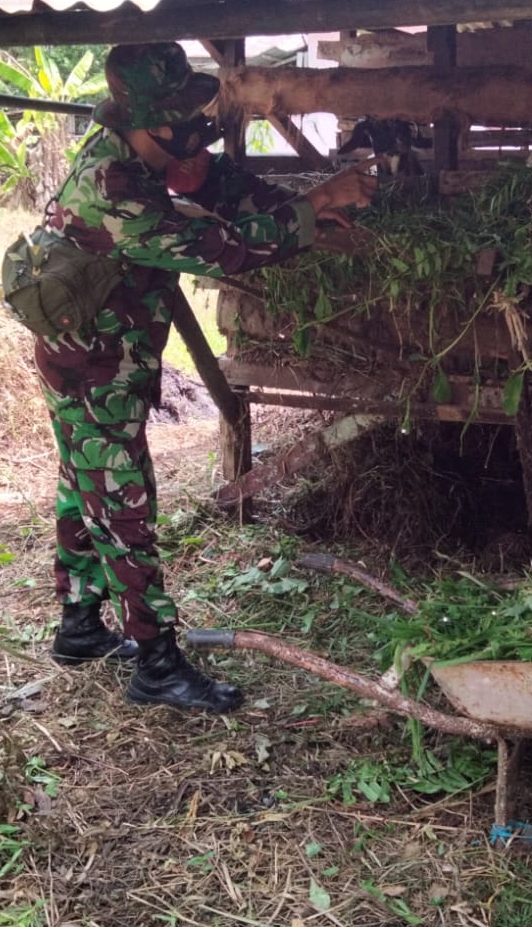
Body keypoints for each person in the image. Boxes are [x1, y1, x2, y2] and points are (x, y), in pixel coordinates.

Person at [35, 41, 374, 712]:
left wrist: (307, 200)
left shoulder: (137, 154)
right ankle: (157, 663)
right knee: (123, 504)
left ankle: (79, 626)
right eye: (189, 117)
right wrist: (311, 208)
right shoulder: (116, 190)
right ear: (158, 124)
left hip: (93, 354)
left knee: (85, 487)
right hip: (93, 366)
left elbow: (216, 183)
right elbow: (224, 249)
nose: (202, 127)